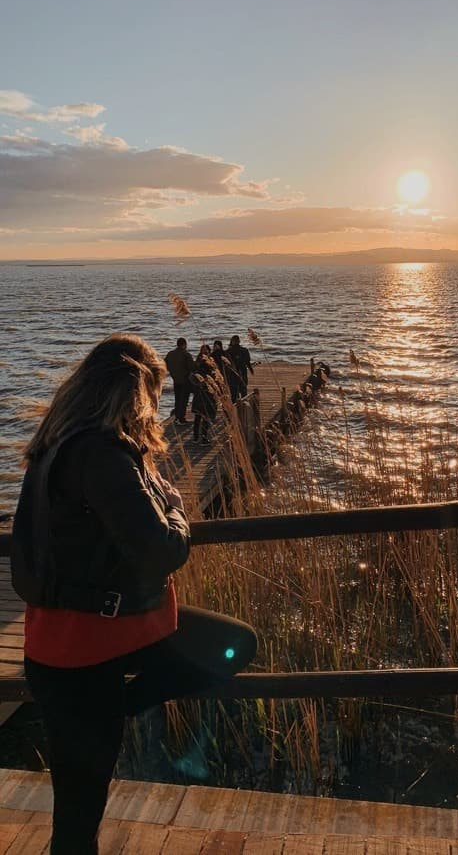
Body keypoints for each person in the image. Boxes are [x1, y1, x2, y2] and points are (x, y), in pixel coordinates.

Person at [10, 334, 257, 854]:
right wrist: (173, 506)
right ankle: (112, 708)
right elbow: (160, 549)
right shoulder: (101, 453)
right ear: (137, 393)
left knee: (231, 643)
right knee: (77, 822)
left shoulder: (54, 445)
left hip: (65, 646)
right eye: (158, 394)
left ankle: (111, 709)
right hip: (86, 651)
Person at [190, 345, 219, 444]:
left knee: (198, 417)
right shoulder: (209, 367)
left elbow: (191, 377)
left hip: (198, 395)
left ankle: (195, 437)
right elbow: (214, 380)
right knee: (206, 416)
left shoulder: (196, 365)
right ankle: (203, 438)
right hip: (207, 395)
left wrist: (197, 386)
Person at [164, 337, 195, 424]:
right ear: (184, 345)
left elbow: (164, 365)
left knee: (177, 399)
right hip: (185, 380)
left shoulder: (170, 354)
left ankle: (177, 417)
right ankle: (181, 418)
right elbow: (192, 368)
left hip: (175, 380)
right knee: (184, 400)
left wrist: (172, 372)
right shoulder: (186, 354)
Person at [226, 334, 254, 402]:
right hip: (242, 373)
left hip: (232, 374)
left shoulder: (228, 351)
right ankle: (244, 406)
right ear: (239, 341)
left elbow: (226, 365)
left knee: (234, 394)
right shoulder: (245, 350)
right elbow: (247, 362)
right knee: (243, 391)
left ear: (232, 341)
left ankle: (236, 409)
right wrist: (251, 370)